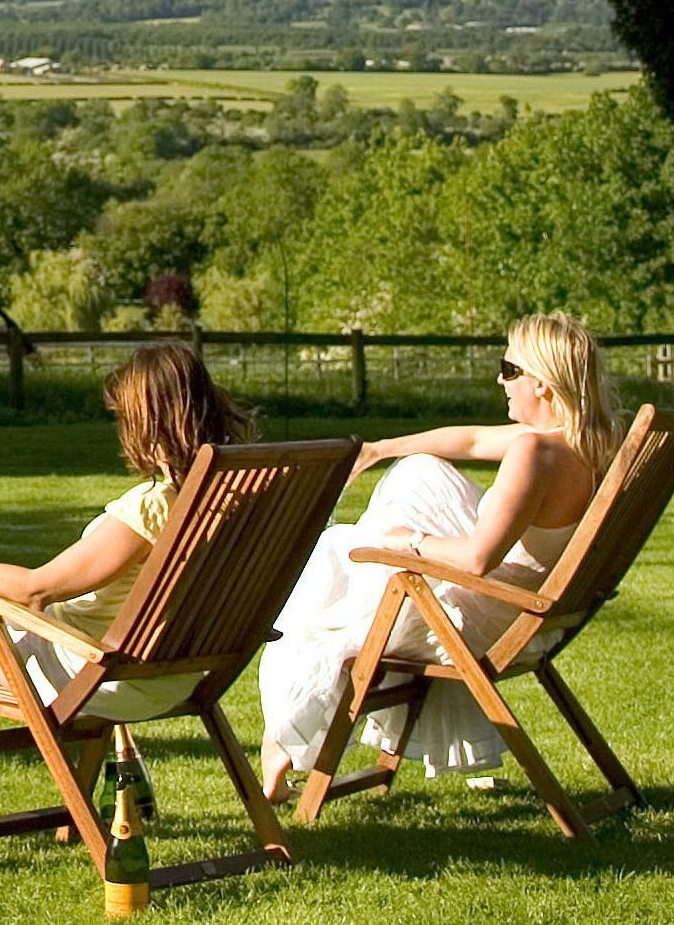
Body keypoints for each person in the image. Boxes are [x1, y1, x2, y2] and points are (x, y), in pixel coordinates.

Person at [0, 343, 253, 798]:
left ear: (146, 421)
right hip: (181, 672)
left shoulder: (154, 509)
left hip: (98, 676)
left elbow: (34, 591)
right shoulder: (231, 499)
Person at [256, 311, 624, 801]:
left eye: (509, 369)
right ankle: (313, 670)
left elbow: (476, 561)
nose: (501, 379)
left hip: (488, 616)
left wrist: (408, 541)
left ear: (540, 381)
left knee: (337, 558)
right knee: (420, 472)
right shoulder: (590, 439)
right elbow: (469, 440)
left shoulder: (535, 454)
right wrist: (381, 449)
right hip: (531, 608)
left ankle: (289, 728)